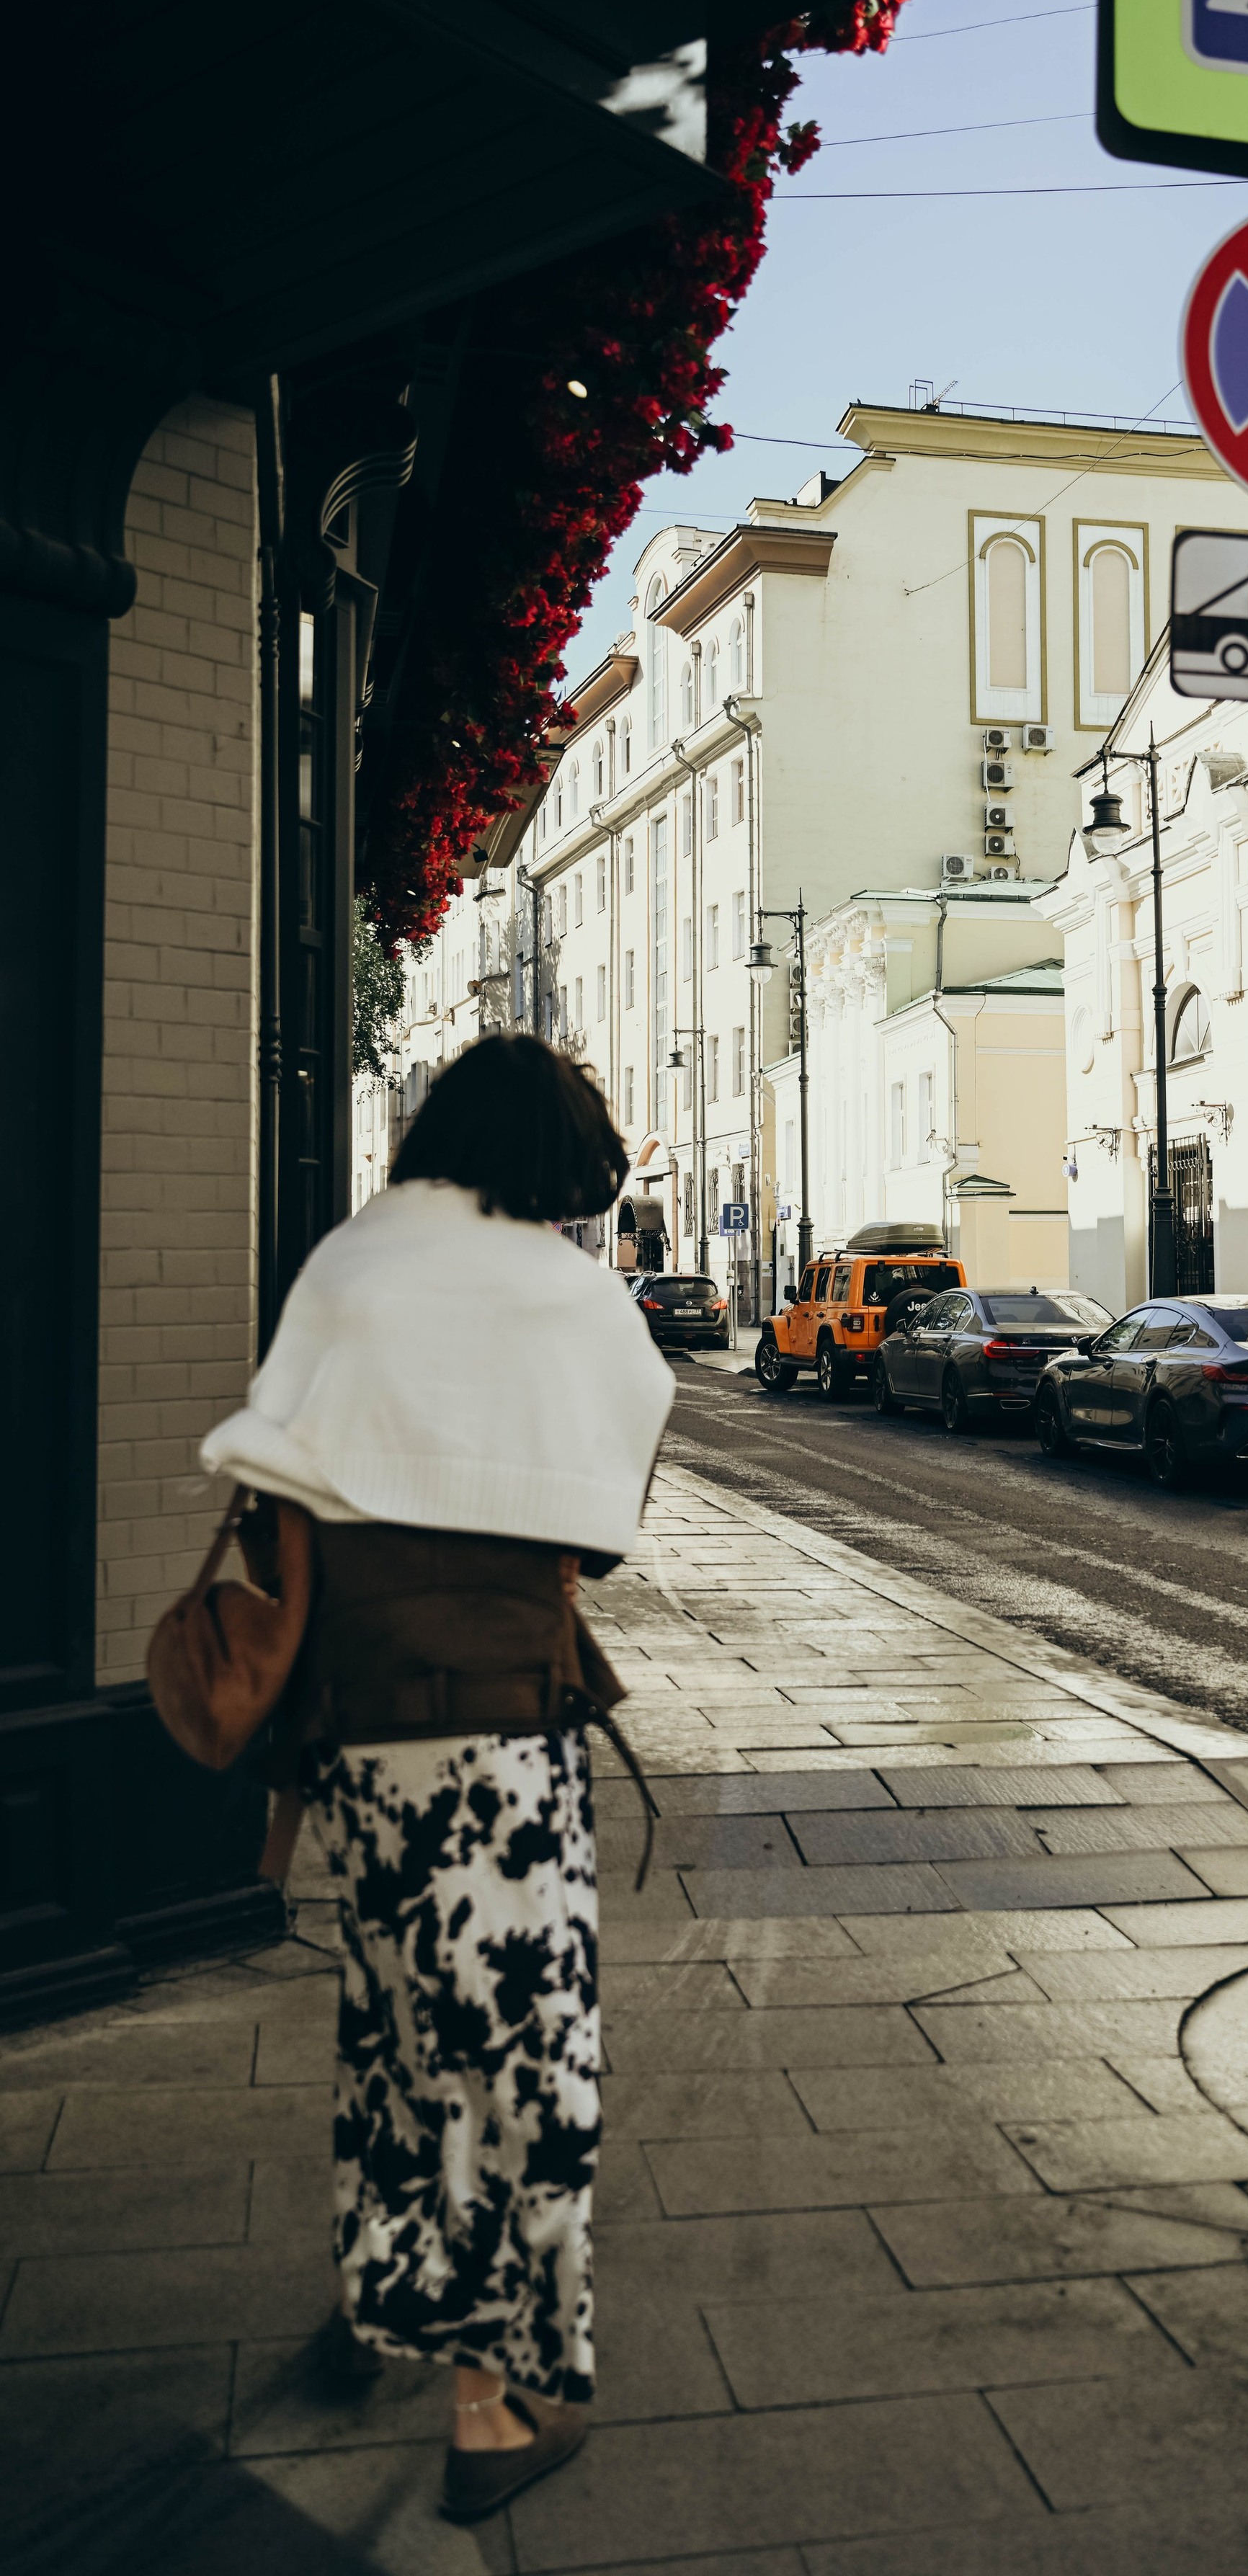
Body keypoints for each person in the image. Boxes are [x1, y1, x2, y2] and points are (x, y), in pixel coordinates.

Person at [200, 1035, 672, 2523]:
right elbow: (597, 1531)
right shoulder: (569, 1298)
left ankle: (380, 2298)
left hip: (357, 1737)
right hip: (501, 1736)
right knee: (526, 2063)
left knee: (397, 2025)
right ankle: (495, 2402)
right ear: (553, 1162)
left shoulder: (348, 1265)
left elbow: (274, 1497)